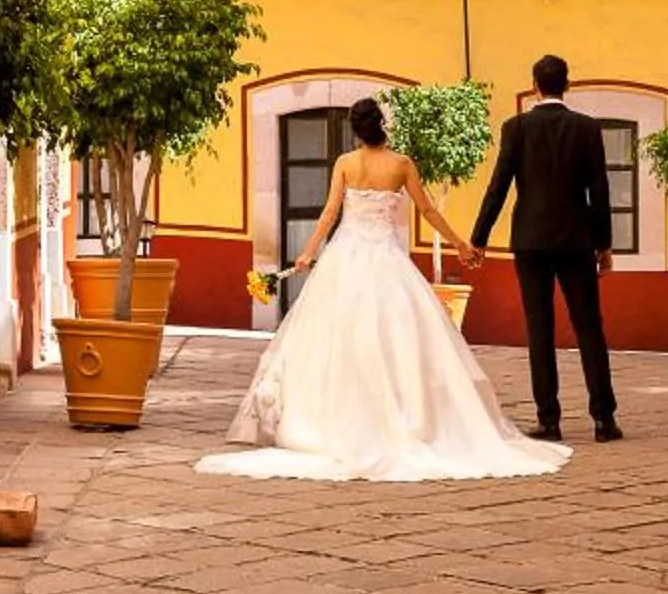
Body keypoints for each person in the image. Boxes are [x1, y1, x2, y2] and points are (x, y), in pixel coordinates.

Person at [197, 98, 570, 482]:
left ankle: (334, 422)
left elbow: (329, 213)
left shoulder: (345, 164)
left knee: (338, 339)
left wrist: (308, 253)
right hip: (388, 260)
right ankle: (412, 419)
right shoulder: (401, 164)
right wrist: (460, 243)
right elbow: (428, 210)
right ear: (381, 124)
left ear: (355, 129)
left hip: (346, 257)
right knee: (401, 336)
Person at [471, 55, 621, 443]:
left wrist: (479, 238)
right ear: (567, 84)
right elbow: (600, 191)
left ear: (534, 86)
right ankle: (604, 419)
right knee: (590, 328)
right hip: (576, 240)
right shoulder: (587, 129)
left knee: (540, 329)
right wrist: (604, 245)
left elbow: (499, 185)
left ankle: (549, 419)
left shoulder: (516, 128)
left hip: (531, 242)